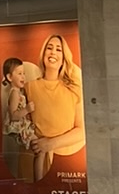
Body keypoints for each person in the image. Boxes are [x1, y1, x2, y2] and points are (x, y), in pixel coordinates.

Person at [24, 32, 86, 176]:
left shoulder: (74, 89)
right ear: (43, 53)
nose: (53, 52)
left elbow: (82, 131)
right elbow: (25, 126)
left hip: (68, 162)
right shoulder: (29, 88)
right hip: (36, 158)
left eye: (58, 49)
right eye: (49, 48)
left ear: (64, 58)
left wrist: (50, 144)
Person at [0, 56, 42, 181]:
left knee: (39, 148)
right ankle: (38, 178)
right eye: (19, 74)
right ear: (9, 77)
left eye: (24, 73)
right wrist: (27, 109)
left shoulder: (19, 92)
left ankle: (37, 176)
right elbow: (13, 115)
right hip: (20, 129)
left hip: (24, 126)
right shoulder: (14, 93)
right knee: (40, 147)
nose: (23, 77)